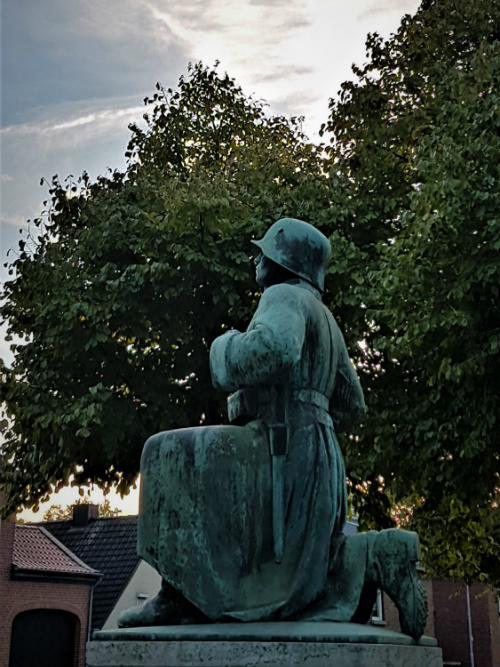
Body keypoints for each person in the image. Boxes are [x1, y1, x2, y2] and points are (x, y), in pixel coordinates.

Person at [118, 218, 426, 639]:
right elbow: (353, 402)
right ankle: (376, 552)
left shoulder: (281, 295)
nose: (256, 257)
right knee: (289, 560)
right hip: (320, 452)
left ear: (286, 262)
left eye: (264, 251)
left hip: (278, 443)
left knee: (163, 454)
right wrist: (310, 413)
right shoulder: (326, 317)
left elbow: (274, 348)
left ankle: (178, 595)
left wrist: (224, 349)